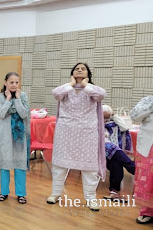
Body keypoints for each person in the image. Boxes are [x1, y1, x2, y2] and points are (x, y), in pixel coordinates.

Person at [47, 63, 106, 211]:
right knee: (59, 165)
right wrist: (72, 84)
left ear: (88, 74)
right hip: (65, 131)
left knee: (89, 168)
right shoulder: (66, 89)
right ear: (72, 73)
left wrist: (86, 85)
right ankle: (55, 193)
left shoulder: (93, 90)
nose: (79, 70)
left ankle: (90, 198)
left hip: (87, 133)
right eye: (77, 68)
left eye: (83, 69)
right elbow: (56, 94)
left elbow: (101, 95)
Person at [0, 72, 30, 204]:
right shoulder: (0, 97)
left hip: (19, 137)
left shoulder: (23, 96)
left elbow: (24, 113)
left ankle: (20, 193)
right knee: (5, 163)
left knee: (19, 164)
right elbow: (2, 114)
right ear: (5, 83)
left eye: (16, 82)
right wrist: (8, 99)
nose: (14, 85)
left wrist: (18, 99)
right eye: (11, 82)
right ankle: (4, 192)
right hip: (5, 135)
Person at [102, 105, 135, 201]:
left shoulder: (114, 123)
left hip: (114, 151)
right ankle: (138, 173)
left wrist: (114, 115)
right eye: (103, 116)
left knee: (116, 165)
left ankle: (114, 191)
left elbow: (125, 127)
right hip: (104, 151)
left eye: (107, 117)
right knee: (126, 162)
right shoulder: (96, 123)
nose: (105, 119)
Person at [130, 96, 153, 224]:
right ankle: (147, 211)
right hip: (149, 146)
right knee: (148, 179)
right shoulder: (148, 100)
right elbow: (134, 116)